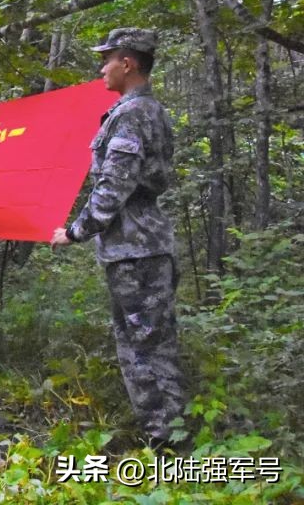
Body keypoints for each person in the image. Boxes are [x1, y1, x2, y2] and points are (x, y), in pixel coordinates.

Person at [50, 27, 185, 448]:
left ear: (128, 63)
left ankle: (173, 444)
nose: (101, 67)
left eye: (107, 59)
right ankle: (159, 437)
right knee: (138, 345)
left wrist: (76, 230)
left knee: (148, 347)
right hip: (134, 247)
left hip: (137, 249)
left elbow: (114, 186)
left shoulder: (134, 114)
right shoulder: (141, 111)